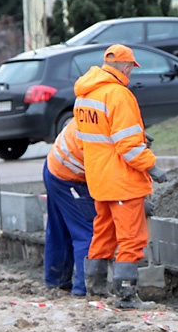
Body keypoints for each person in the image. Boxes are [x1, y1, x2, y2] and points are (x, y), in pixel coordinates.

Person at [73, 44, 169, 309]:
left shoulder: (85, 94)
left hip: (99, 179)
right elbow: (127, 146)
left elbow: (88, 140)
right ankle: (126, 297)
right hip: (122, 182)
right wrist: (152, 167)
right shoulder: (118, 94)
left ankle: (95, 290)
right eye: (131, 69)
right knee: (131, 238)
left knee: (102, 234)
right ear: (126, 67)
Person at [42, 118, 95, 296]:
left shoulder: (93, 98)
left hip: (55, 165)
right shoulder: (116, 104)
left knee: (61, 228)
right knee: (87, 232)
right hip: (70, 176)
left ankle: (56, 280)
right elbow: (107, 177)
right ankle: (83, 288)